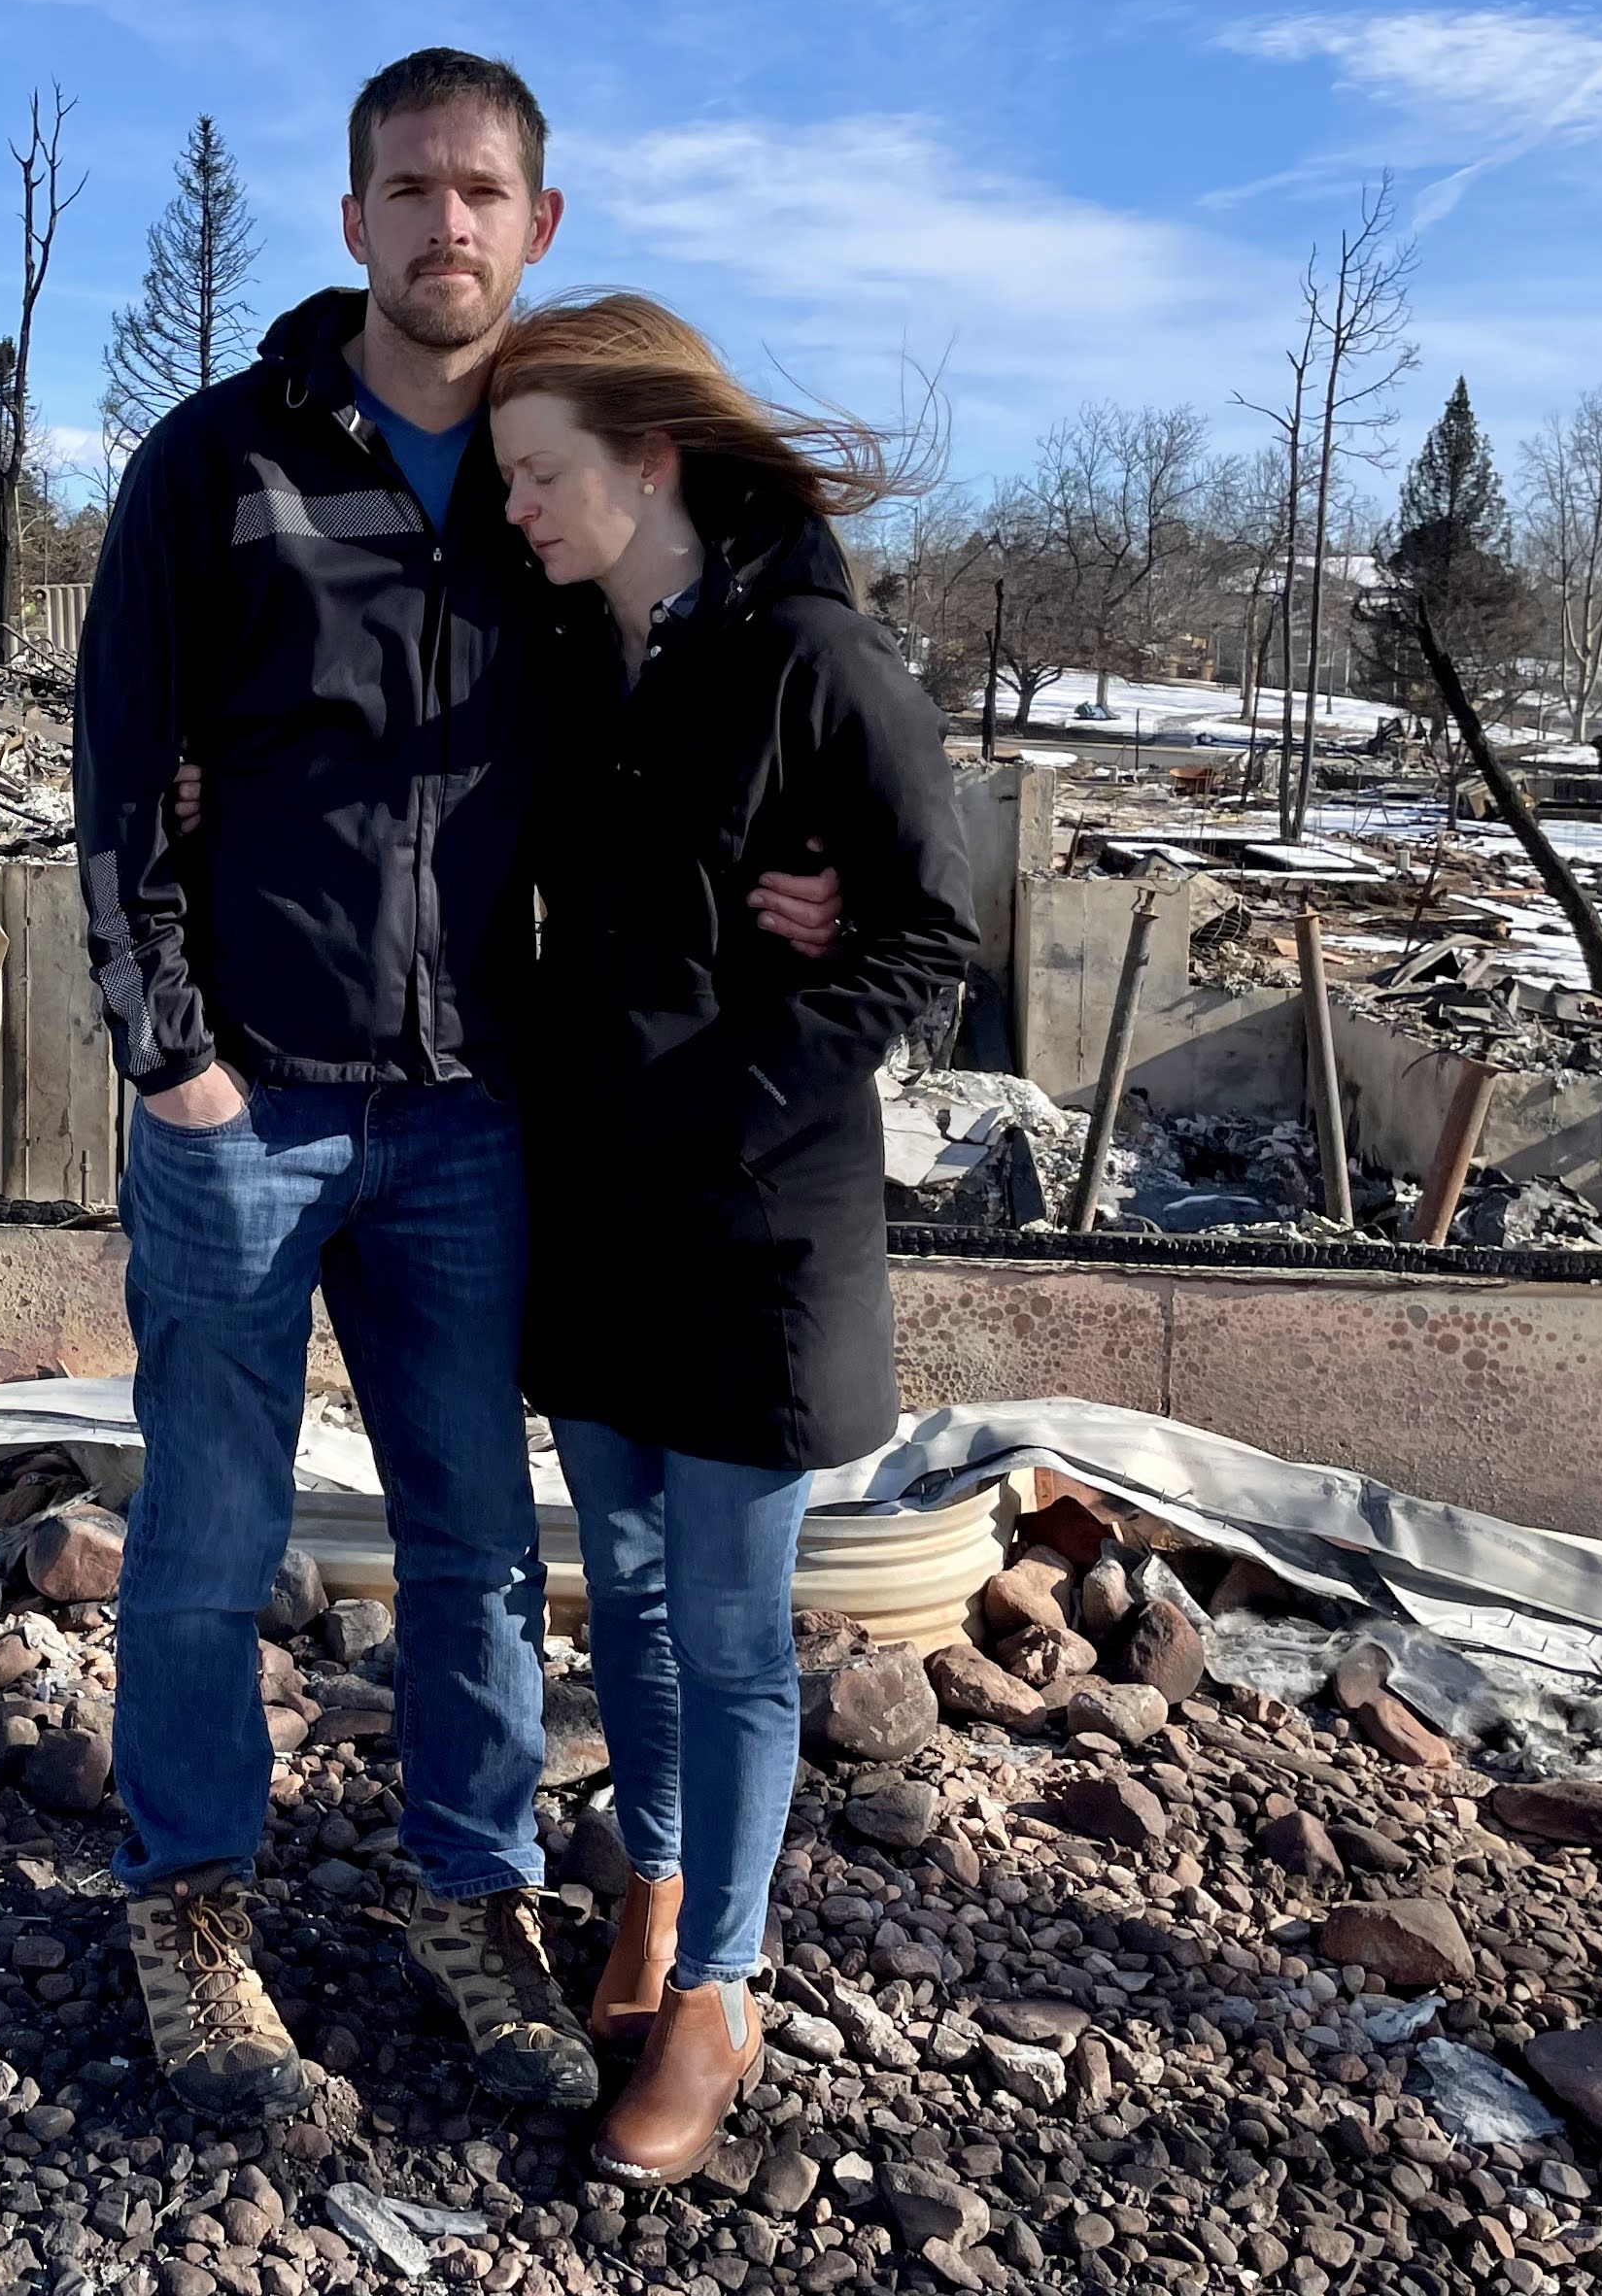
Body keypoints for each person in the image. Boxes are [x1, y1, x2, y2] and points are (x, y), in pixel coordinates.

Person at [71, 51, 840, 2126]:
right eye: (406, 190)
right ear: (352, 223)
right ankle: (193, 1911)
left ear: (540, 224)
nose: (445, 225)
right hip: (254, 1099)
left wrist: (834, 847)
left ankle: (468, 1893)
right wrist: (175, 1060)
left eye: (482, 190)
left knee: (478, 1547)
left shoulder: (548, 477)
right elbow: (125, 774)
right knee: (211, 1537)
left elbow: (746, 628)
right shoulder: (220, 463)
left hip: (472, 1111)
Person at [484, 291, 978, 2187]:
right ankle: (663, 1882)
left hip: (751, 1225)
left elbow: (934, 936)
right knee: (623, 1591)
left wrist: (763, 1066)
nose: (519, 509)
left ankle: (722, 1986)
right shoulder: (562, 659)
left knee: (727, 1625)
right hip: (590, 1217)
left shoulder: (819, 662)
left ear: (648, 461)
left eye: (544, 475)